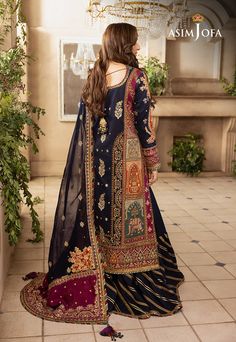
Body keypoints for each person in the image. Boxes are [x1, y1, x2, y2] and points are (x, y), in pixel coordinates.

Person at [20, 22, 184, 340]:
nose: (138, 48)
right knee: (131, 219)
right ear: (124, 44)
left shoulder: (96, 73)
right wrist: (153, 163)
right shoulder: (136, 77)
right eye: (135, 43)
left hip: (98, 162)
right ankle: (132, 278)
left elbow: (91, 126)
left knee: (104, 216)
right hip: (128, 160)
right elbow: (145, 126)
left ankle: (105, 270)